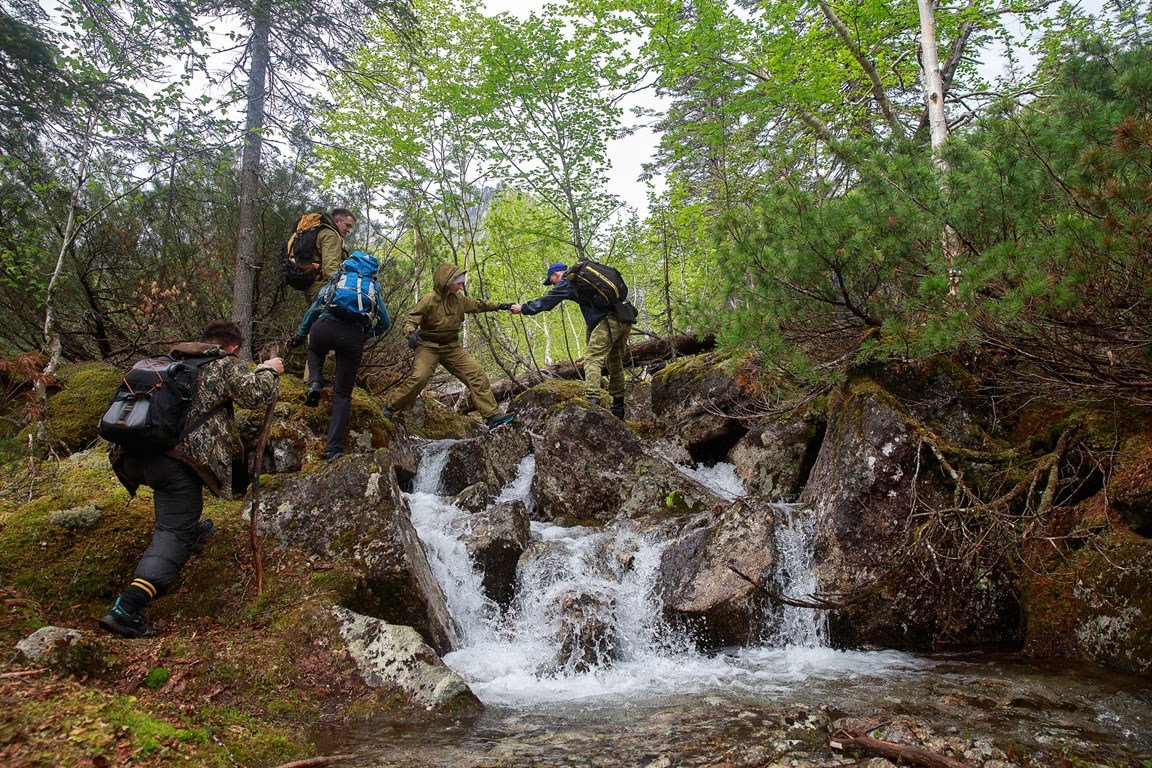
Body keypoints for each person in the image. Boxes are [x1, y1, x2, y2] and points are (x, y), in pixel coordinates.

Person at [100, 321, 283, 638]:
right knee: (173, 534)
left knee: (178, 509)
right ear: (233, 348)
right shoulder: (223, 365)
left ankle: (189, 526)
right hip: (173, 462)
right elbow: (257, 395)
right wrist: (270, 369)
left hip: (132, 454)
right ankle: (127, 610)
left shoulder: (172, 362)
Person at [381, 262, 515, 429]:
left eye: (461, 283)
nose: (460, 287)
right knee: (419, 378)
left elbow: (478, 304)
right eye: (458, 283)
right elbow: (411, 320)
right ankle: (389, 407)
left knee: (476, 374)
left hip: (451, 347)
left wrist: (501, 306)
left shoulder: (459, 300)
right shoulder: (428, 300)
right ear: (447, 282)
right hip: (428, 346)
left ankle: (492, 416)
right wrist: (410, 333)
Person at [294, 250, 391, 462]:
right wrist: (364, 335)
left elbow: (314, 309)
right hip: (352, 336)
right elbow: (385, 322)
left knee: (315, 351)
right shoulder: (372, 287)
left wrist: (301, 334)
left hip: (325, 326)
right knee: (342, 395)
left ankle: (315, 383)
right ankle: (334, 450)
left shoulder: (338, 279)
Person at [511, 262, 633, 419]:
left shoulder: (566, 281)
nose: (552, 284)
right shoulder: (586, 276)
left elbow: (547, 302)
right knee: (615, 362)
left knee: (592, 359)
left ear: (556, 274)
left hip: (609, 320)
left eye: (551, 280)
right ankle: (618, 408)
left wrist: (524, 308)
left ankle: (591, 401)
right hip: (625, 317)